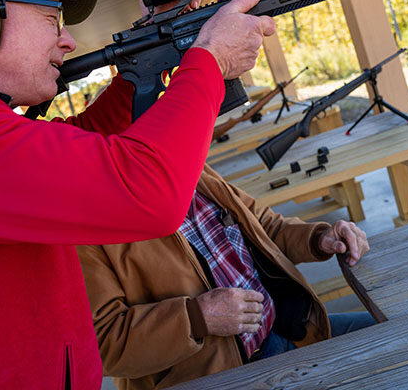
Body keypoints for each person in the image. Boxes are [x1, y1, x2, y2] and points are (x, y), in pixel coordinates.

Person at [0, 0, 275, 389]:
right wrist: (210, 60)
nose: (68, 41)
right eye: (53, 19)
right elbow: (150, 196)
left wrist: (152, 58)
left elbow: (70, 148)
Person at [78, 164, 374, 390]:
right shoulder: (89, 228)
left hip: (286, 333)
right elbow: (102, 345)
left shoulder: (194, 170)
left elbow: (266, 227)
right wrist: (197, 318)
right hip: (223, 378)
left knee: (394, 331)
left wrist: (320, 237)